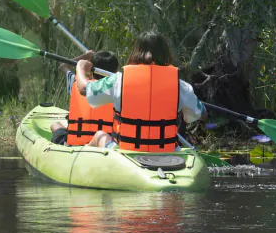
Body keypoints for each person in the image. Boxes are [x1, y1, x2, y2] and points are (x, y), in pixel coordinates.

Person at [75, 31, 207, 150]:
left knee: (100, 135)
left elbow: (84, 89)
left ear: (136, 52)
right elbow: (201, 114)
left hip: (125, 151)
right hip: (166, 153)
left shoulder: (118, 80)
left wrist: (80, 67)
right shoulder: (181, 86)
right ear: (165, 54)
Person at [50, 50, 119, 146]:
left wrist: (85, 56)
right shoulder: (118, 89)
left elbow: (63, 66)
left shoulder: (77, 82)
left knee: (55, 125)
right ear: (115, 73)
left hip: (74, 144)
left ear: (90, 72)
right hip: (104, 143)